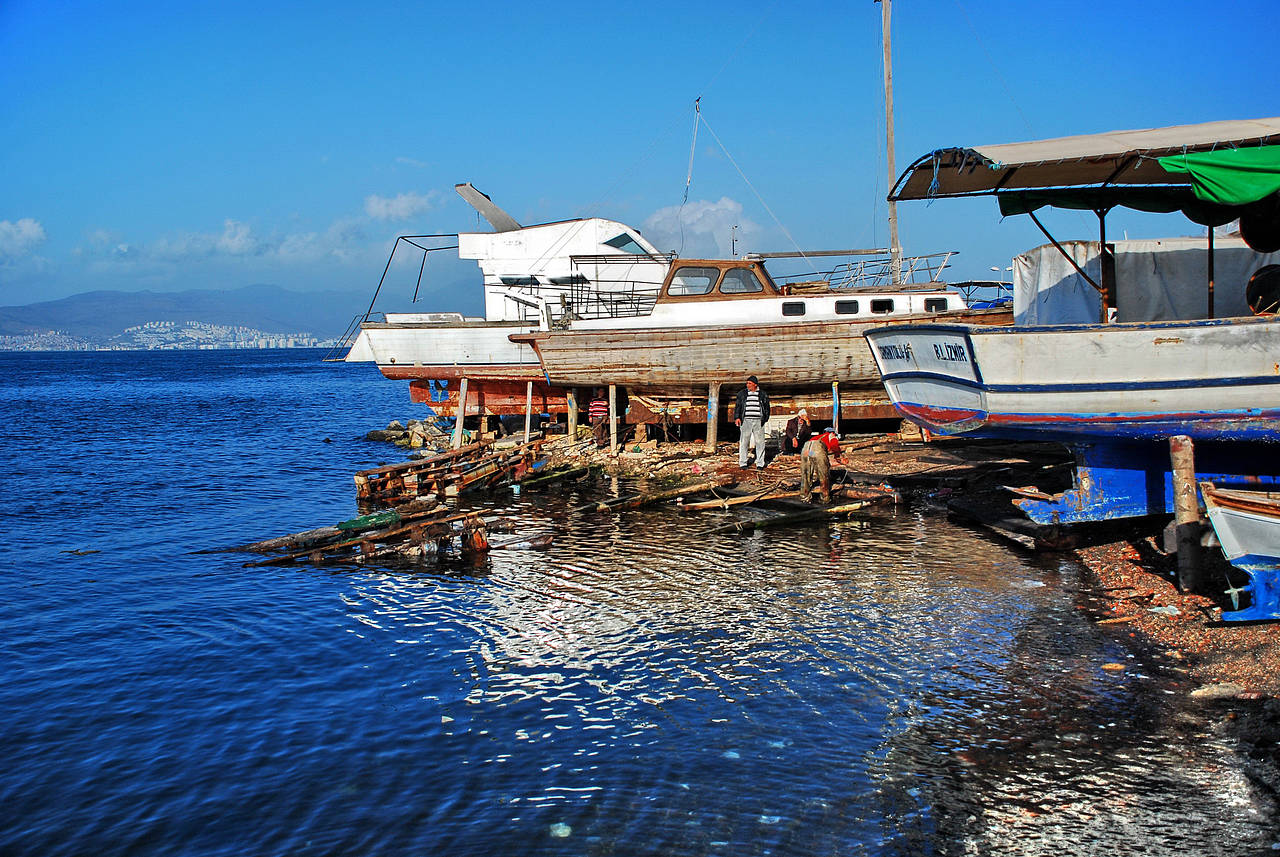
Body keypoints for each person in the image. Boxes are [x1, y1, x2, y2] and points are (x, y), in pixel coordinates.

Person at [734, 375, 770, 470]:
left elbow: (766, 407)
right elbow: (738, 406)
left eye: (749, 383)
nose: (747, 385)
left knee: (760, 442)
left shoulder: (762, 394)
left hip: (759, 420)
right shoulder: (742, 394)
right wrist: (737, 417)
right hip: (745, 420)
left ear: (755, 384)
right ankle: (743, 463)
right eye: (747, 383)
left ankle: (760, 463)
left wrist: (765, 418)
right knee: (744, 441)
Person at [800, 426, 841, 503]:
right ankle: (824, 498)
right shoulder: (831, 435)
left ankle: (804, 497)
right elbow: (834, 445)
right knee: (823, 475)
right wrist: (837, 455)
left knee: (806, 475)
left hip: (806, 450)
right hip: (817, 450)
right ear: (832, 432)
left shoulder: (816, 437)